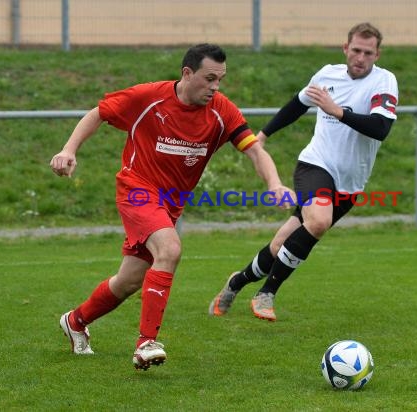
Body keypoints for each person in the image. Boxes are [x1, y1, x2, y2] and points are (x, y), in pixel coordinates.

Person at [50, 43, 295, 370]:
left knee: (129, 281)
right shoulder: (148, 97)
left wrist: (274, 183)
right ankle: (145, 343)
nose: (215, 87)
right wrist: (69, 150)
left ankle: (76, 321)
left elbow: (254, 150)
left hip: (170, 205)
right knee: (170, 248)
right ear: (187, 73)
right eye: (209, 79)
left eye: (220, 79)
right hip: (137, 190)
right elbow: (99, 113)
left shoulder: (222, 111)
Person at [208, 22, 399, 321]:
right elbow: (296, 106)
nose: (361, 57)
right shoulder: (327, 75)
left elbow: (380, 128)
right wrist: (263, 135)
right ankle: (267, 294)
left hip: (350, 183)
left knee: (280, 243)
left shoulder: (384, 82)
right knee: (319, 221)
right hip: (316, 164)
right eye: (356, 50)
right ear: (345, 49)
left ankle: (237, 282)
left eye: (368, 52)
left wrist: (339, 111)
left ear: (378, 54)